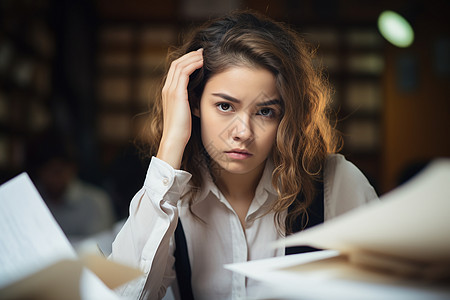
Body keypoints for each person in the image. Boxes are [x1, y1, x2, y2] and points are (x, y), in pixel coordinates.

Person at [110, 10, 378, 300]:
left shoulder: (335, 183)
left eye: (265, 112)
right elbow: (122, 295)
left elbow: (387, 286)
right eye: (225, 106)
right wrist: (172, 141)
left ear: (286, 116)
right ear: (194, 102)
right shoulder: (169, 195)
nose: (243, 132)